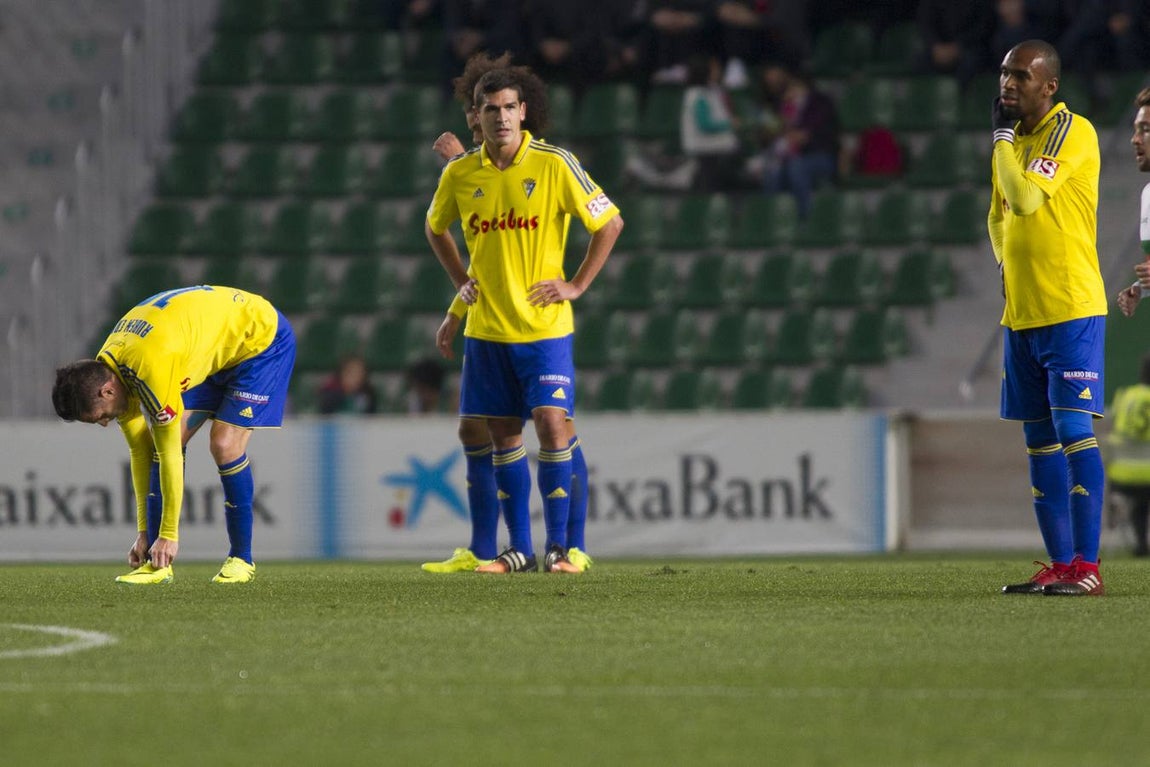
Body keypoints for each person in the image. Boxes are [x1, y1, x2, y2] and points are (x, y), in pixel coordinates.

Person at [425, 67, 623, 574]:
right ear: (478, 116)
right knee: (502, 436)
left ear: (523, 111)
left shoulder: (556, 163)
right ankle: (518, 550)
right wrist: (458, 289)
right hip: (488, 330)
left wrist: (576, 285)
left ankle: (562, 548)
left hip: (544, 329)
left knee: (553, 425)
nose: (501, 117)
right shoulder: (461, 172)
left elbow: (610, 222)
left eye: (509, 107)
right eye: (491, 109)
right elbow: (436, 228)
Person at [51, 285, 296, 585]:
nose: (105, 423)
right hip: (212, 349)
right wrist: (145, 533)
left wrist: (169, 535)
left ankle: (241, 559)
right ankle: (156, 566)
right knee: (164, 438)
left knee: (223, 444)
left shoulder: (147, 366)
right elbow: (142, 452)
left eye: (100, 416)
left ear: (107, 391)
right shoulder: (110, 366)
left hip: (260, 342)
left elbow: (168, 454)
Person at [990, 40, 1107, 596]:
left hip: (1070, 306)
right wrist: (1007, 269)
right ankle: (1059, 566)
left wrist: (1001, 141)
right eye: (1004, 74)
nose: (1007, 84)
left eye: (1020, 75)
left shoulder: (1070, 131)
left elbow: (1028, 201)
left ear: (1049, 86)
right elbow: (999, 215)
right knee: (1037, 440)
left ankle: (1087, 569)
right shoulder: (1013, 142)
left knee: (1072, 431)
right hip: (1023, 315)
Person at [755, 61, 840, 219]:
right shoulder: (783, 106)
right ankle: (774, 218)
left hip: (820, 156)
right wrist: (782, 121)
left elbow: (816, 133)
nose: (792, 92)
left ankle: (804, 218)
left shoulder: (821, 103)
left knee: (797, 167)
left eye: (796, 87)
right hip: (788, 156)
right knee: (772, 170)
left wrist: (802, 135)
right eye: (790, 88)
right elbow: (769, 133)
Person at [1104, 355, 1150, 556]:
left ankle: (1138, 542)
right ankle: (1141, 543)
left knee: (1139, 500)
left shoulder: (1124, 396)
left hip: (1122, 476)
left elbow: (1117, 426)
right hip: (1147, 474)